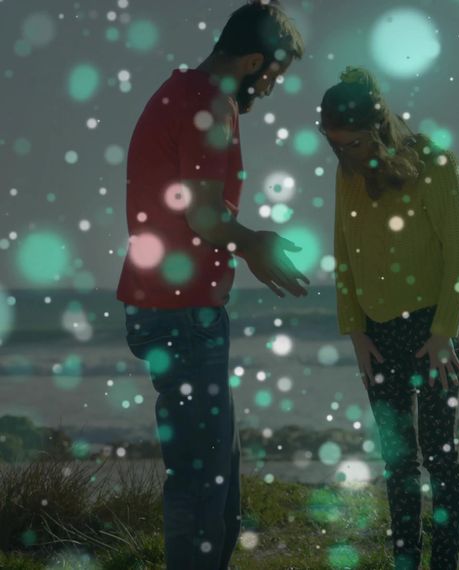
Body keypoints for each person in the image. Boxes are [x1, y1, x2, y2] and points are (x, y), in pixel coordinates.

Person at [115, 2, 307, 568]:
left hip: (168, 309)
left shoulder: (178, 92)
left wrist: (244, 247)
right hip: (183, 315)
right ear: (252, 62)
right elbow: (204, 216)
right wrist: (254, 242)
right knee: (203, 486)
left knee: (217, 480)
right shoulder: (208, 102)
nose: (270, 89)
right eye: (272, 76)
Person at [322, 65, 459, 570]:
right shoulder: (346, 174)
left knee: (439, 455)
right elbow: (343, 254)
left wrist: (443, 333)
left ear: (378, 127)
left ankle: (445, 563)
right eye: (333, 143)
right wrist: (355, 331)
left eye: (351, 143)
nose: (342, 155)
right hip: (376, 335)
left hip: (434, 332)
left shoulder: (436, 163)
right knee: (397, 463)